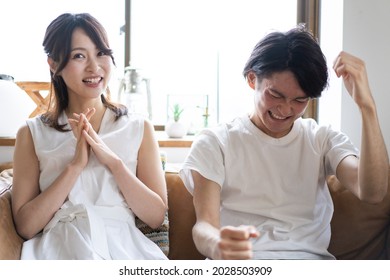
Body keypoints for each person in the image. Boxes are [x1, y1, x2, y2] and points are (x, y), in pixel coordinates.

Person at [179, 25, 389, 260]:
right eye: (275, 95)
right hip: (242, 265)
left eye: (299, 100)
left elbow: (373, 192)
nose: (285, 109)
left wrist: (367, 106)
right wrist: (217, 244)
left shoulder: (321, 139)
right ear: (252, 79)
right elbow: (204, 226)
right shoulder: (216, 141)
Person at [11, 13, 168, 260]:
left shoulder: (138, 128)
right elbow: (26, 226)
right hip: (59, 248)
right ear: (53, 63)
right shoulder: (32, 133)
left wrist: (114, 164)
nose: (94, 67)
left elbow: (156, 217)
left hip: (125, 249)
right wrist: (75, 166)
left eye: (101, 53)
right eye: (79, 56)